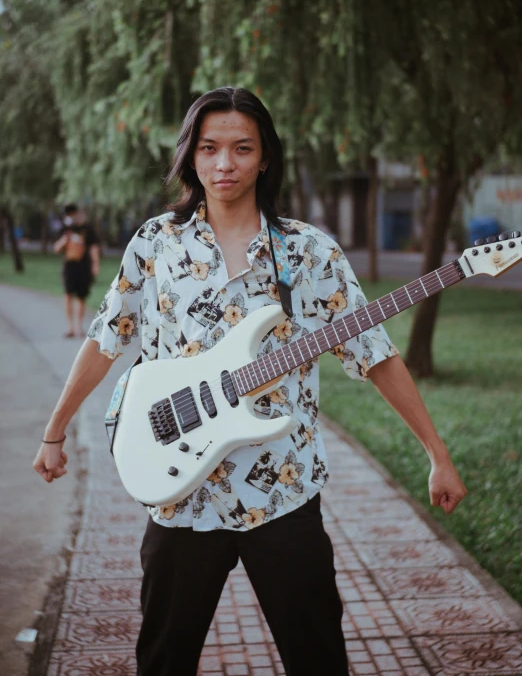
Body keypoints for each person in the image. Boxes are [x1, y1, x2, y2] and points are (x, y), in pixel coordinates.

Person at [34, 87, 467, 676]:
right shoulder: (157, 244)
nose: (224, 164)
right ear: (191, 156)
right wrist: (54, 430)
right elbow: (106, 338)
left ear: (264, 158)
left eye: (242, 149)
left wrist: (436, 452)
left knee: (318, 659)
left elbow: (377, 355)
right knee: (163, 659)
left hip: (282, 493)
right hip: (181, 495)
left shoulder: (309, 253)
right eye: (209, 148)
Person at [53, 203, 100, 338]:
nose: (71, 216)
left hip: (83, 266)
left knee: (81, 296)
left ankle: (79, 326)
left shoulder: (87, 229)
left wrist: (95, 265)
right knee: (68, 295)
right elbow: (56, 248)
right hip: (69, 266)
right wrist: (65, 238)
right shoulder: (64, 229)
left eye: (73, 213)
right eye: (69, 214)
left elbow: (93, 248)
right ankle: (70, 326)